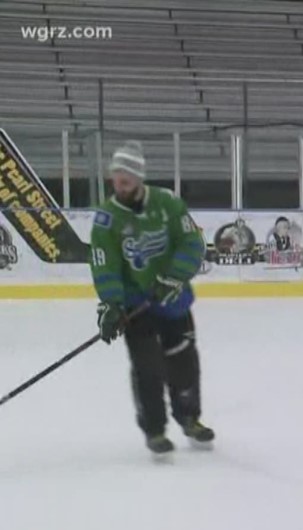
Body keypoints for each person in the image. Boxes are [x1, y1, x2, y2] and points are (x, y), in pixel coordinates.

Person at [88, 141, 215, 456]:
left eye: (126, 178)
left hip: (173, 299)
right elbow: (105, 265)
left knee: (183, 360)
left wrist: (172, 277)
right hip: (135, 304)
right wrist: (112, 305)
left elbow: (192, 244)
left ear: (139, 177)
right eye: (116, 177)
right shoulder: (106, 218)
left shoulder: (168, 203)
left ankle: (189, 418)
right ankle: (155, 430)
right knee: (148, 367)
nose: (120, 183)